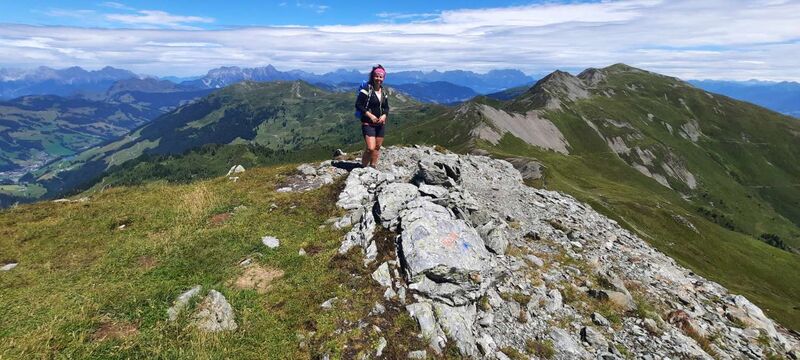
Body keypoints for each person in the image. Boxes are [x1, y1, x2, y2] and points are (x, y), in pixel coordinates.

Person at [355, 65, 389, 168]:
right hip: (368, 123)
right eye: (376, 76)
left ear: (383, 78)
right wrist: (370, 115)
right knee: (370, 148)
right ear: (372, 76)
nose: (379, 79)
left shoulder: (384, 91)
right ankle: (363, 168)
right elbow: (358, 104)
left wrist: (384, 115)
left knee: (377, 147)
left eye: (381, 77)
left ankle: (373, 167)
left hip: (380, 124)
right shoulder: (366, 89)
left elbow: (386, 107)